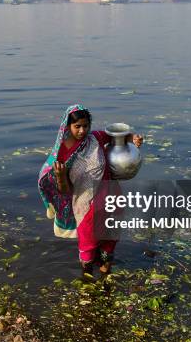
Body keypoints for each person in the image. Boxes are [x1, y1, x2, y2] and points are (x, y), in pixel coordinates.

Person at [38, 104, 143, 277]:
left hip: (112, 199)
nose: (82, 131)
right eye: (77, 126)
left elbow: (116, 136)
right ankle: (88, 283)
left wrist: (133, 138)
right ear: (68, 126)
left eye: (85, 126)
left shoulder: (96, 138)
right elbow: (65, 191)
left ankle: (105, 275)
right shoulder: (63, 155)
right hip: (87, 207)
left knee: (109, 245)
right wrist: (60, 176)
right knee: (88, 248)